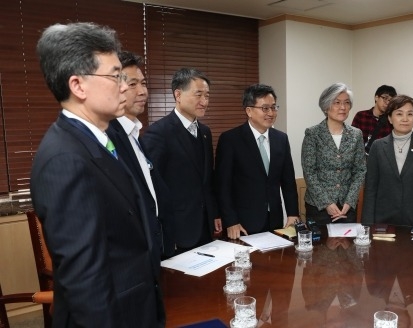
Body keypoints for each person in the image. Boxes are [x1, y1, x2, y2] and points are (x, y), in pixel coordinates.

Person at [30, 22, 165, 327]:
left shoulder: (102, 138)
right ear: (78, 86)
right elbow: (85, 282)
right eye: (116, 76)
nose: (125, 86)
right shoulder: (65, 159)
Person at [141, 68, 220, 253]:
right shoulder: (159, 133)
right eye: (198, 95)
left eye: (207, 96)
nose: (204, 101)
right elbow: (153, 187)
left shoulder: (205, 132)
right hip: (177, 229)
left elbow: (207, 180)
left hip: (205, 225)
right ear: (178, 94)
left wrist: (214, 213)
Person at [106, 51, 174, 259]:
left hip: (156, 247)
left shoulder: (134, 134)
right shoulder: (108, 137)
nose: (143, 91)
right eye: (133, 84)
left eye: (143, 84)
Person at [215, 84, 299, 239]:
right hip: (243, 223)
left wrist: (293, 213)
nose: (271, 113)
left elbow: (288, 182)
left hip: (275, 219)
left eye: (274, 107)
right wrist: (231, 221)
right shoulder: (230, 139)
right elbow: (223, 186)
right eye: (265, 108)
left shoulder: (281, 139)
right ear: (249, 111)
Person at [362, 95, 413, 228]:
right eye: (399, 114)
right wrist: (367, 223)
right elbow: (370, 188)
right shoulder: (378, 146)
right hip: (382, 219)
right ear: (390, 118)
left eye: (410, 114)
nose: (405, 119)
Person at [301, 83, 366, 224]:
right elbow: (309, 172)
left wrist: (350, 201)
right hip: (318, 207)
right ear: (326, 106)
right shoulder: (313, 134)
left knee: (348, 246)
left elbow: (360, 170)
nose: (343, 107)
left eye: (346, 103)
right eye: (337, 102)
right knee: (320, 246)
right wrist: (327, 203)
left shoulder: (356, 134)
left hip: (347, 208)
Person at [351, 84, 397, 154]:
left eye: (391, 100)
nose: (387, 103)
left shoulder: (391, 120)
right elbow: (352, 140)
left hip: (383, 160)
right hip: (362, 160)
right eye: (385, 98)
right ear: (376, 97)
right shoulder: (361, 116)